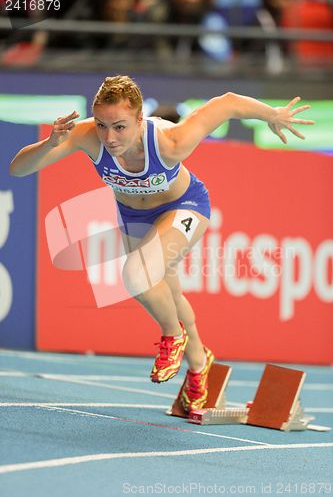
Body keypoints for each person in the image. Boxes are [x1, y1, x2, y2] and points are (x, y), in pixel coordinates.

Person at [9, 75, 314, 412]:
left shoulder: (170, 141)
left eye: (120, 127)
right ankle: (199, 363)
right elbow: (18, 169)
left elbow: (226, 102)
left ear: (140, 120)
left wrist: (270, 114)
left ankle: (173, 335)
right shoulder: (87, 136)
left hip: (184, 207)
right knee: (167, 291)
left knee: (136, 276)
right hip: (132, 216)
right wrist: (49, 144)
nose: (109, 137)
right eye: (101, 125)